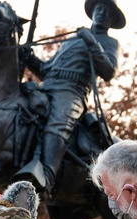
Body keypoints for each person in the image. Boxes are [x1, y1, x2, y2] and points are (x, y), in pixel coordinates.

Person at [16, 0, 123, 195]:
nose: (100, 13)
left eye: (106, 12)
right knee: (14, 110)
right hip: (47, 87)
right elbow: (46, 70)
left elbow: (108, 71)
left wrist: (91, 41)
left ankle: (46, 177)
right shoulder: (72, 40)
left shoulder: (110, 43)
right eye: (98, 8)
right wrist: (27, 57)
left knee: (58, 122)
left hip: (72, 92)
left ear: (112, 20)